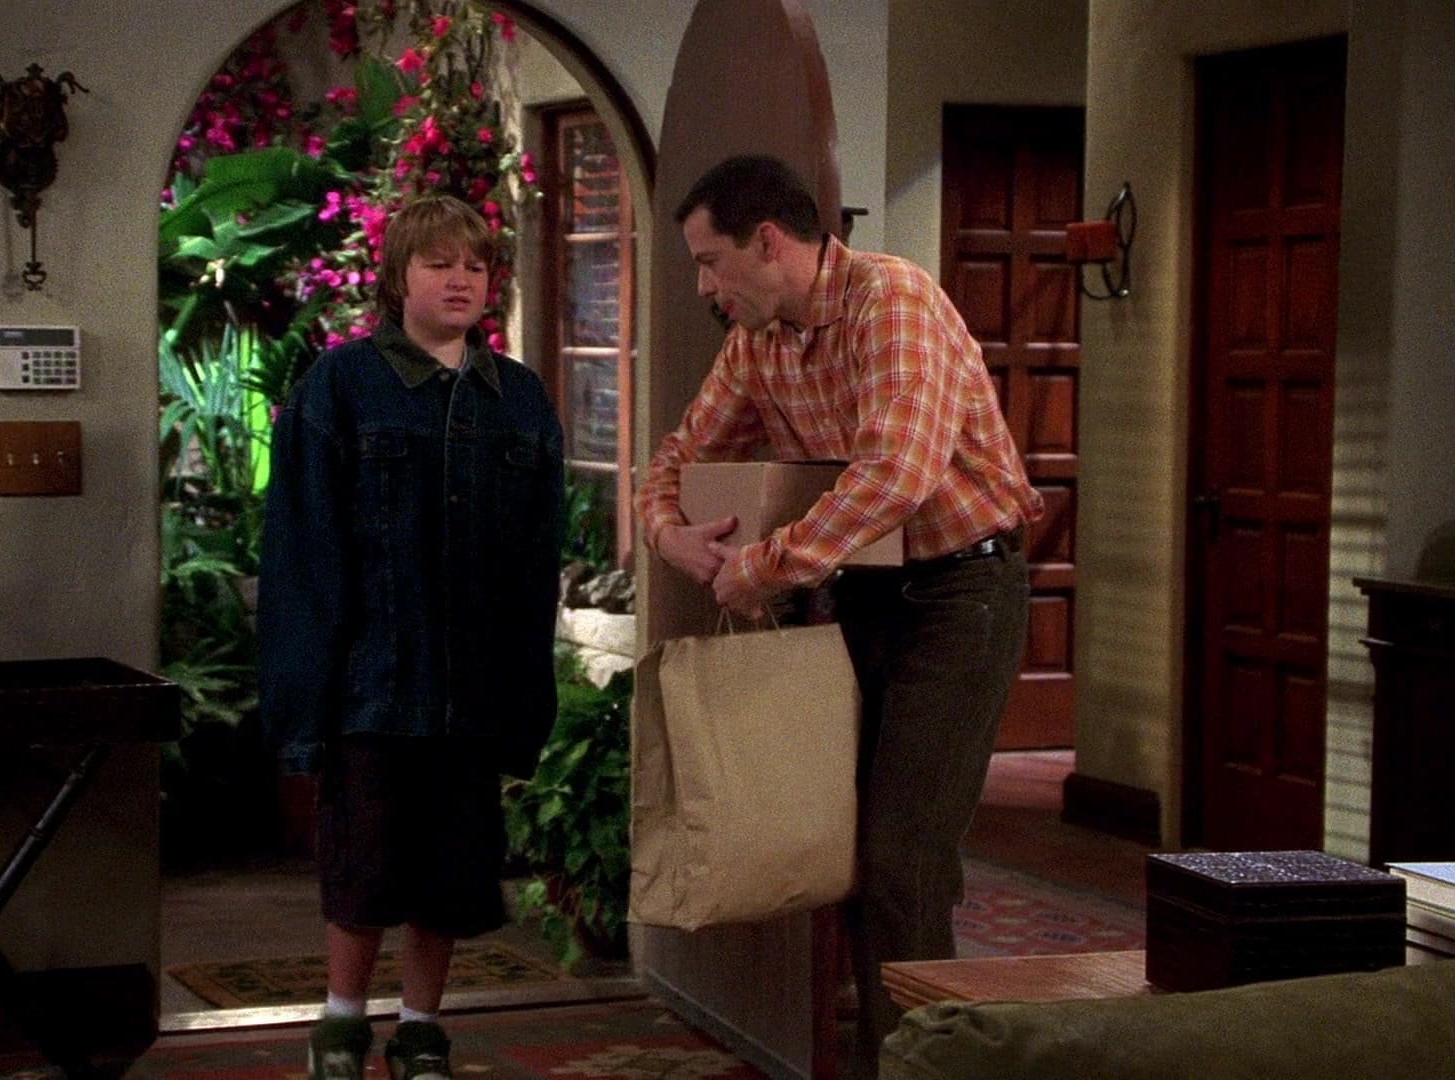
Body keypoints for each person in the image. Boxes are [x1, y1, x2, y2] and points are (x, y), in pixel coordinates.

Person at [635, 155, 1043, 1072]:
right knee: (848, 849)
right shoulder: (759, 341)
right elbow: (676, 457)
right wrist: (670, 537)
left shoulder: (892, 302)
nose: (703, 286)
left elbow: (897, 473)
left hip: (961, 592)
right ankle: (889, 1056)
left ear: (767, 242)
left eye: (709, 262)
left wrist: (765, 567)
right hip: (858, 592)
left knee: (905, 853)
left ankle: (920, 1068)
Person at [258, 194, 565, 1079]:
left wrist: (524, 697)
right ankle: (340, 1027)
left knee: (453, 874)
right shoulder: (340, 385)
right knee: (363, 865)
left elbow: (534, 564)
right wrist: (304, 700)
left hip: (472, 691)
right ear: (398, 279)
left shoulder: (520, 398)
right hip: (373, 683)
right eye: (439, 263)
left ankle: (422, 1028)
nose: (459, 279)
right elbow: (303, 553)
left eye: (474, 264)